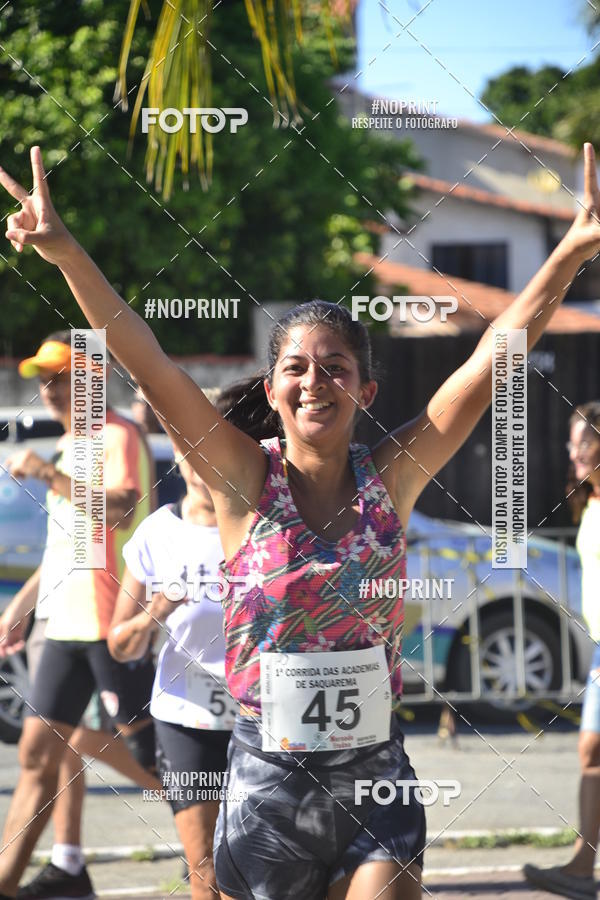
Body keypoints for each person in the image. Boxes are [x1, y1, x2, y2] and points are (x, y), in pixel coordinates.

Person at [1, 144, 600, 900]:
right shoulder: (243, 480)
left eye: (336, 367)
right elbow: (148, 362)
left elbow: (494, 357)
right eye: (297, 368)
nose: (316, 381)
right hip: (267, 786)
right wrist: (64, 252)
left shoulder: (393, 477)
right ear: (275, 390)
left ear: (366, 390)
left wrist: (573, 250)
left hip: (376, 780)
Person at [0, 332, 160, 900]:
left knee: (153, 756)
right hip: (65, 624)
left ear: (91, 380)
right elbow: (64, 547)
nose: (47, 390)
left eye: (59, 378)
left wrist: (46, 474)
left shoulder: (118, 435)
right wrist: (19, 610)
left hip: (111, 625)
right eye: (42, 379)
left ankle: (218, 833)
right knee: (39, 753)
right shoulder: (73, 443)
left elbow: (118, 510)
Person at [106, 385, 272, 900]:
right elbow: (120, 645)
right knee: (205, 867)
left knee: (266, 865)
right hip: (188, 718)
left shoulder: (263, 525)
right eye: (192, 453)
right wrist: (155, 613)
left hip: (264, 716)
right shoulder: (158, 534)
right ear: (179, 454)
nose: (204, 467)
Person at [523, 402, 600, 900]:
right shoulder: (589, 501)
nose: (573, 450)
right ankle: (581, 866)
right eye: (572, 441)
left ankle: (580, 865)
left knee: (592, 752)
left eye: (582, 440)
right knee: (591, 751)